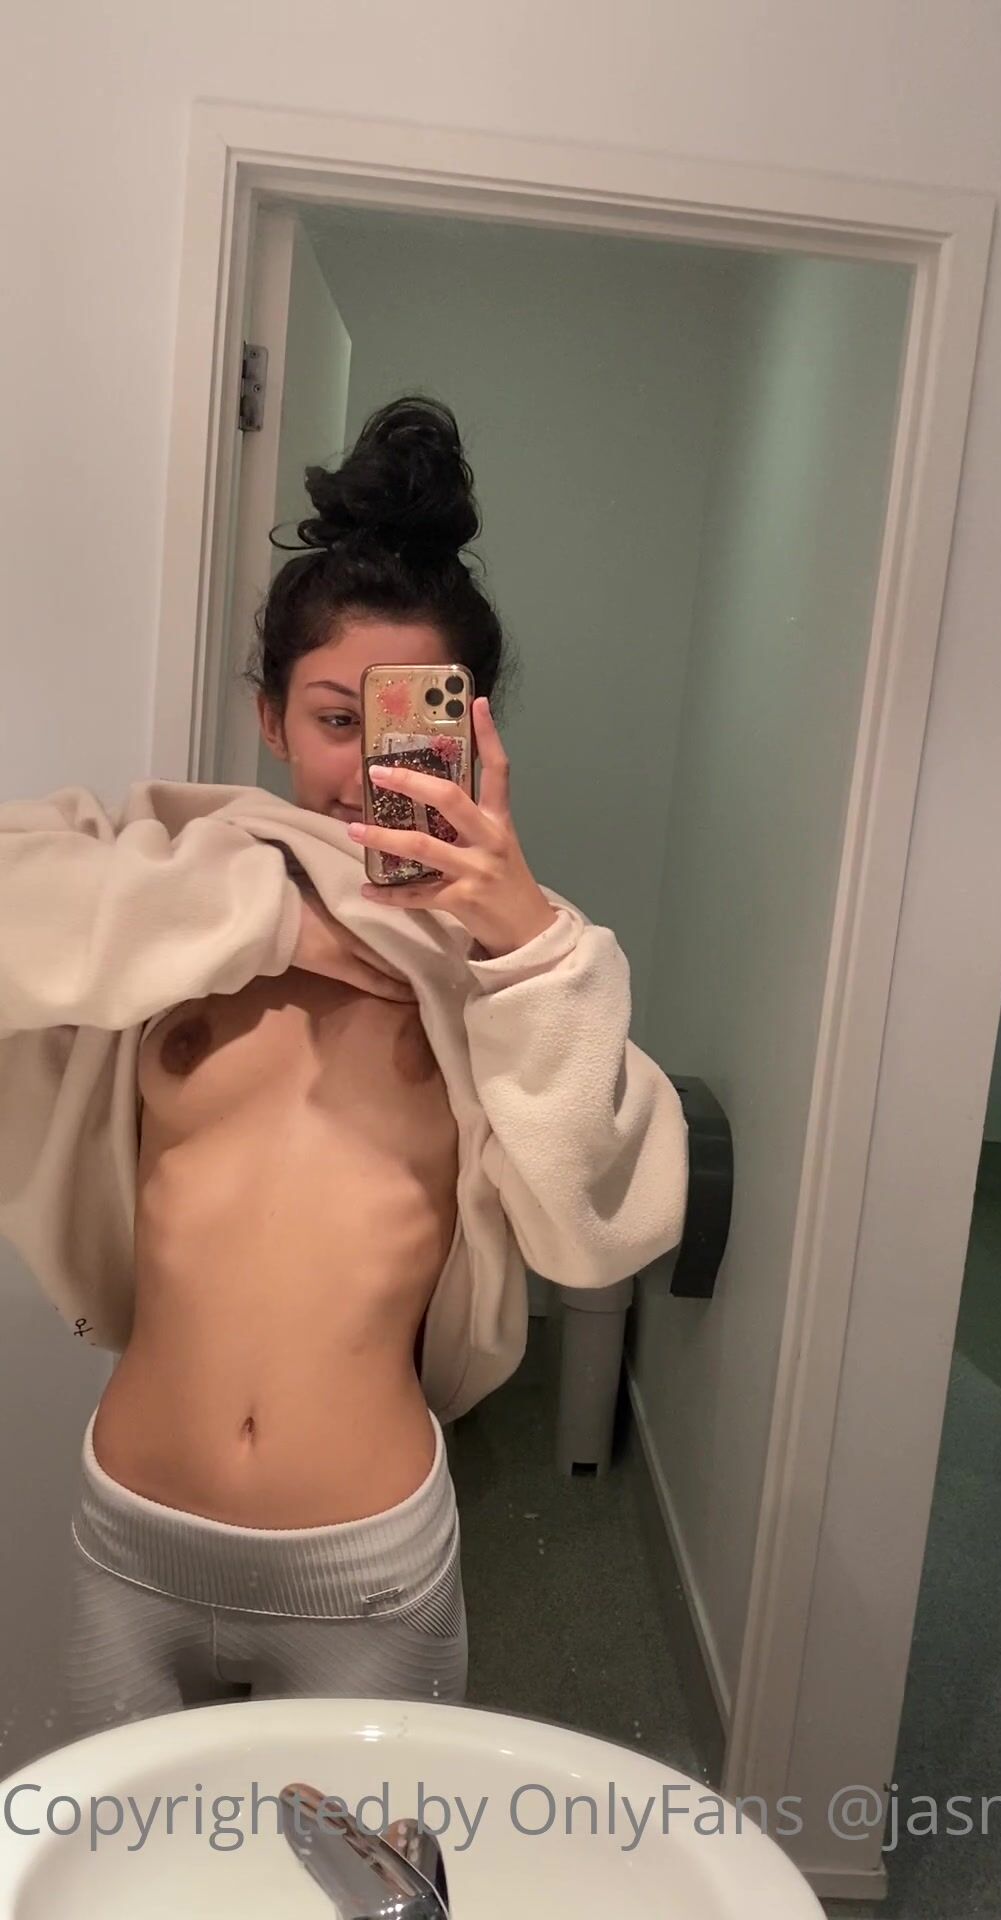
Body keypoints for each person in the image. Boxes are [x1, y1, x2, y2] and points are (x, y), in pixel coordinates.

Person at [0, 395, 688, 1734]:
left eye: (406, 728)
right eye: (332, 719)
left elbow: (594, 1229)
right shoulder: (167, 884)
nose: (366, 772)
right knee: (121, 1853)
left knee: (365, 1852)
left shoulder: (518, 969)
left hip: (363, 1563)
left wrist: (525, 948)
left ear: (470, 734)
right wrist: (287, 924)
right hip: (133, 1530)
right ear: (269, 717)